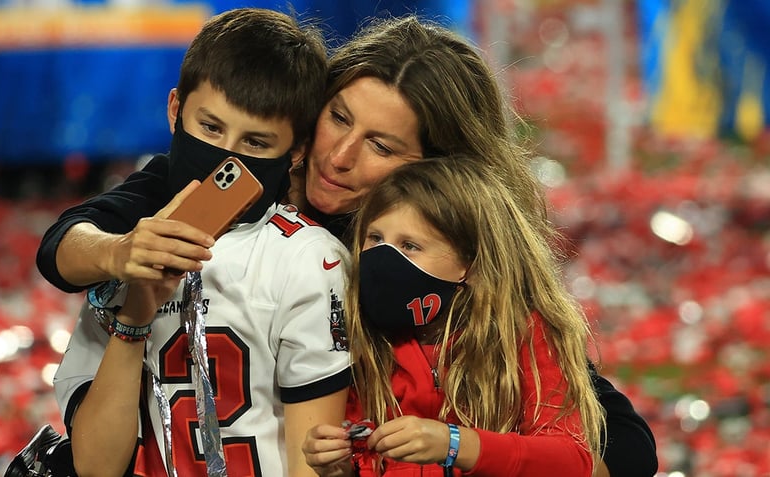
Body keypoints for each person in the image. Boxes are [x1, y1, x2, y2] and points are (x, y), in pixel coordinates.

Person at [36, 14, 657, 477]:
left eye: (382, 147)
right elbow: (66, 242)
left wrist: (459, 442)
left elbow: (623, 445)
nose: (339, 157)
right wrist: (119, 255)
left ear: (434, 173)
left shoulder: (433, 259)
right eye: (338, 117)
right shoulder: (231, 182)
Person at [52, 8, 351, 477]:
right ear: (175, 110)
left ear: (294, 153)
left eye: (255, 142)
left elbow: (309, 460)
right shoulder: (137, 237)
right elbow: (95, 467)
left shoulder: (307, 258)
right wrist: (133, 312)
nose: (224, 156)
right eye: (210, 128)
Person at [302, 155, 604, 476]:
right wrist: (339, 468)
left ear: (470, 264)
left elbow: (574, 461)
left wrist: (456, 444)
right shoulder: (357, 332)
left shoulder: (525, 331)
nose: (382, 257)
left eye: (410, 246)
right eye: (375, 239)